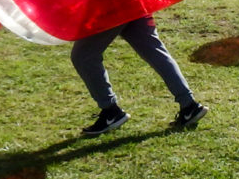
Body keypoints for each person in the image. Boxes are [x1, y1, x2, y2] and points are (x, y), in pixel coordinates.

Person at [72, 15, 208, 136]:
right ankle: (189, 105)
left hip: (110, 4)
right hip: (133, 1)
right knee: (154, 50)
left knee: (83, 56)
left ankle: (110, 111)